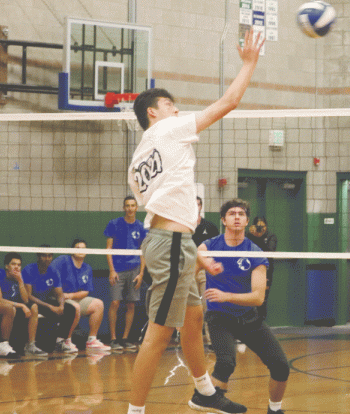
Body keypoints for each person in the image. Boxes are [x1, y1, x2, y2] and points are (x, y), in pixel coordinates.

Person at [125, 27, 262, 414]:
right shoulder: (166, 130)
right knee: (157, 335)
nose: (178, 111)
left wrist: (194, 254)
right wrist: (249, 63)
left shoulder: (138, 162)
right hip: (169, 245)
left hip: (172, 242)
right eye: (171, 105)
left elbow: (164, 211)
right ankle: (134, 411)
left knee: (194, 316)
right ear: (154, 113)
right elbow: (229, 101)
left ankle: (204, 392)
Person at [199, 199, 290, 414]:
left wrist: (225, 295)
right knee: (225, 363)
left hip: (249, 318)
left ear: (247, 221)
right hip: (219, 318)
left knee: (280, 366)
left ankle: (274, 409)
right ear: (223, 220)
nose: (237, 216)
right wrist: (206, 264)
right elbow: (195, 254)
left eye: (241, 213)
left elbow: (258, 298)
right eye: (232, 213)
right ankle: (210, 403)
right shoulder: (211, 245)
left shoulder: (255, 252)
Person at [104, 196, 148, 351]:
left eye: (133, 205)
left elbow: (142, 251)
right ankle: (113, 339)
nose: (130, 208)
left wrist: (141, 273)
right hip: (117, 268)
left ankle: (125, 338)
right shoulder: (114, 224)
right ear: (124, 208)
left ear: (137, 208)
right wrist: (111, 270)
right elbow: (108, 249)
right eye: (127, 205)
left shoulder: (141, 227)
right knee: (115, 302)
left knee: (131, 304)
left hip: (134, 269)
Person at [52, 238, 111, 352]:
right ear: (72, 251)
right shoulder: (62, 260)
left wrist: (70, 296)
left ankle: (92, 340)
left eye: (84, 248)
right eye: (78, 248)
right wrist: (61, 295)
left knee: (98, 304)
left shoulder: (87, 268)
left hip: (72, 297)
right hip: (58, 298)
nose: (81, 250)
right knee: (75, 307)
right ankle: (66, 340)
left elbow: (85, 291)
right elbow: (51, 275)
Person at [22, 247, 79, 353]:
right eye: (44, 256)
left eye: (49, 256)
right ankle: (30, 344)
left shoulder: (53, 271)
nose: (47, 258)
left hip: (45, 301)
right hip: (32, 302)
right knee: (44, 308)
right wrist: (50, 307)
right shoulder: (29, 270)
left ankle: (60, 342)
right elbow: (29, 296)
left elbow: (59, 293)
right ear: (38, 257)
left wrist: (61, 306)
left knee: (70, 309)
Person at [0, 252, 47, 357]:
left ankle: (30, 345)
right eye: (13, 264)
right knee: (10, 308)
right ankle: (3, 344)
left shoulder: (19, 277)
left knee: (33, 307)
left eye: (19, 265)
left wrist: (20, 281)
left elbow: (25, 300)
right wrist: (21, 306)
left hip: (15, 306)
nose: (16, 267)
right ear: (6, 266)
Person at [193, 196, 220, 347]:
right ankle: (190, 341)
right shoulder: (183, 227)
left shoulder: (209, 226)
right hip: (187, 270)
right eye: (192, 204)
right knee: (188, 307)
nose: (195, 206)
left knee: (207, 305)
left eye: (197, 204)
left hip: (204, 270)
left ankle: (212, 340)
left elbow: (217, 249)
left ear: (201, 206)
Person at [246, 216, 277, 322]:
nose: (260, 229)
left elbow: (269, 252)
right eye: (258, 226)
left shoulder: (271, 236)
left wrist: (258, 237)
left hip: (266, 271)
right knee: (248, 298)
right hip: (249, 270)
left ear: (266, 226)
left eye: (262, 226)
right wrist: (252, 235)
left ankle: (260, 323)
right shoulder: (248, 236)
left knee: (262, 300)